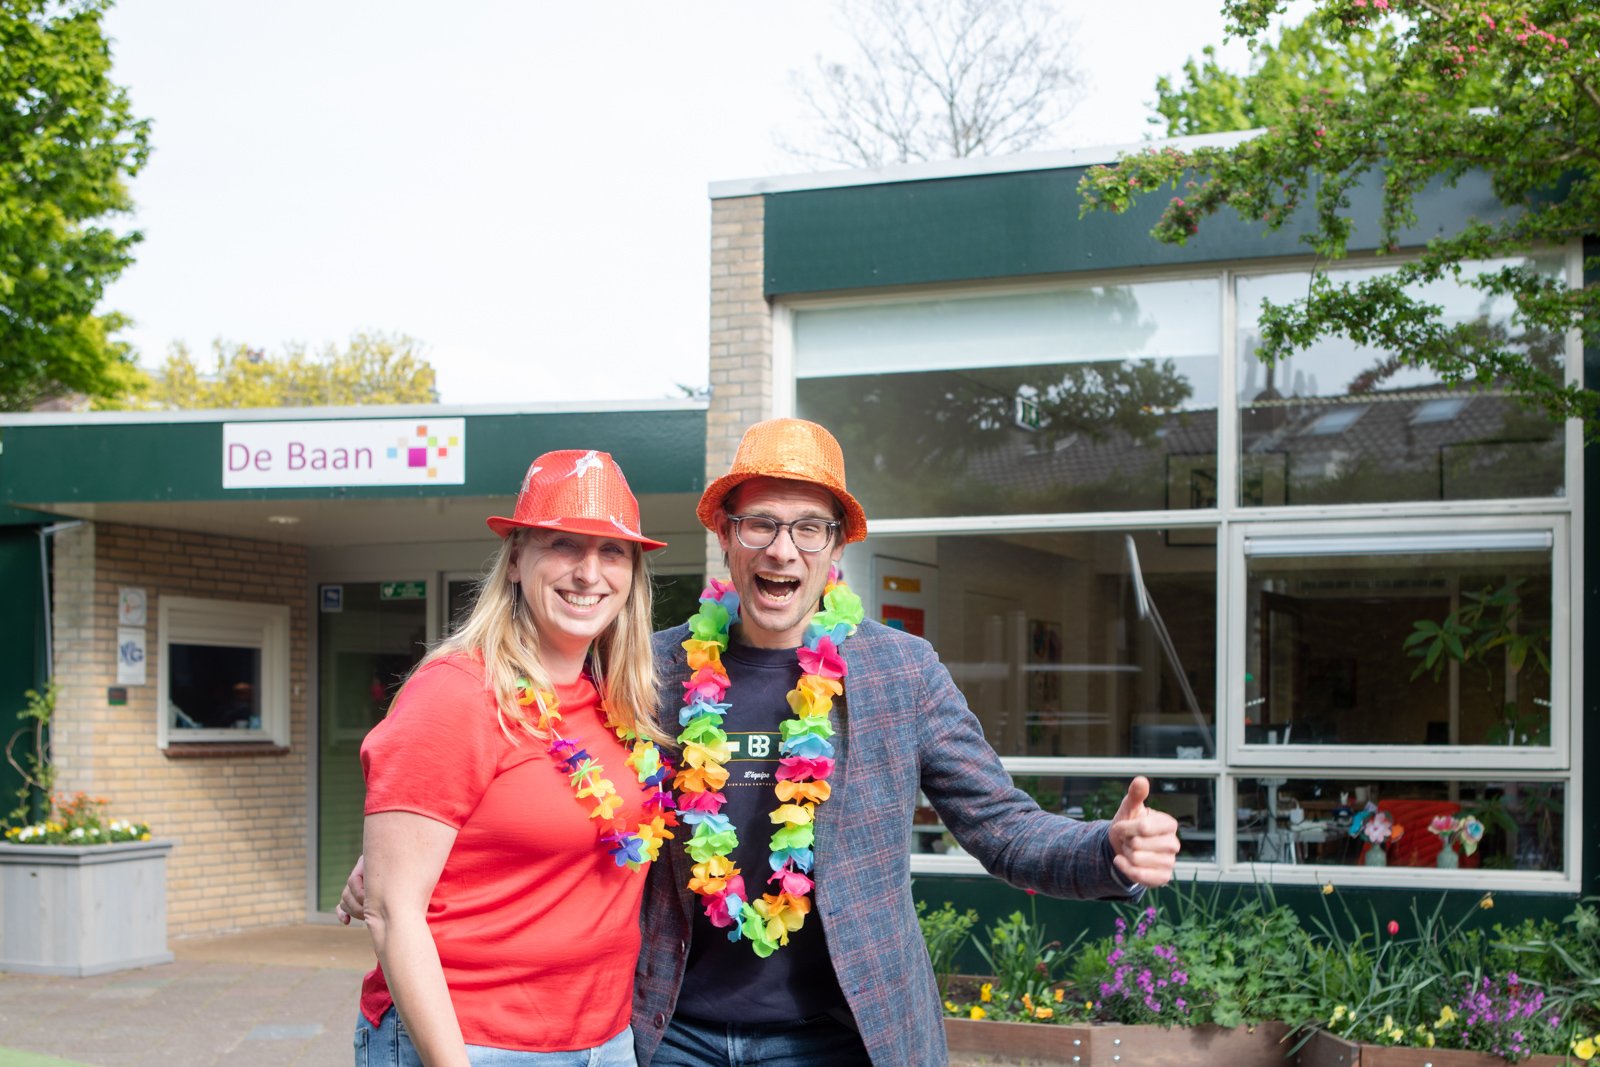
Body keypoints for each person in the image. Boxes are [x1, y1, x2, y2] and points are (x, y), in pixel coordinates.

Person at [344, 419, 1181, 1067]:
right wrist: (404, 864)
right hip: (669, 1033)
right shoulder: (646, 670)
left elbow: (1000, 824)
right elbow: (538, 768)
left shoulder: (900, 672)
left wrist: (1103, 850)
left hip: (837, 1034)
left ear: (836, 547)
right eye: (760, 524)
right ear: (725, 537)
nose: (783, 549)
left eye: (809, 528)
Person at [353, 449, 676, 1067]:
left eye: (612, 552)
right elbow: (393, 910)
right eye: (563, 544)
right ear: (515, 561)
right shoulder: (456, 692)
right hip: (473, 1040)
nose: (589, 573)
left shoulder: (621, 702)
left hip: (604, 1040)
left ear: (632, 573)